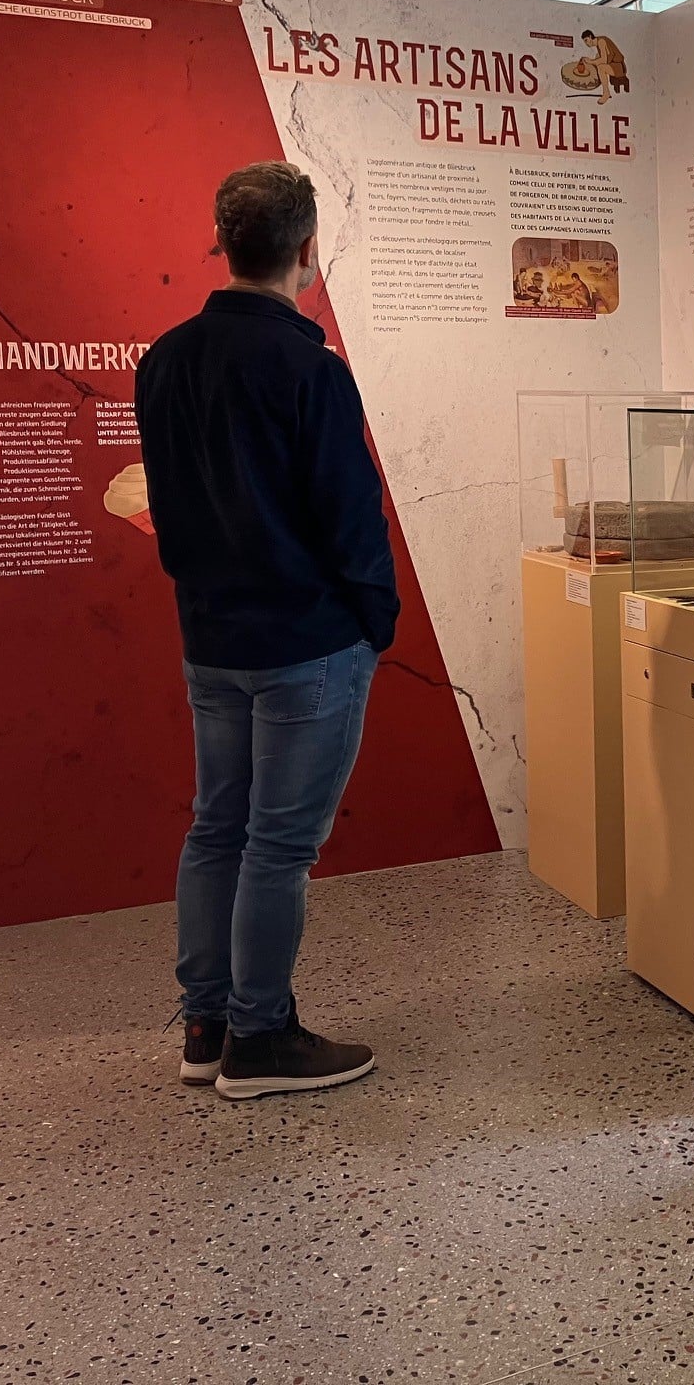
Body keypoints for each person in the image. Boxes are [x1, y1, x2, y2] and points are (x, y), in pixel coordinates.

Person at [134, 161, 396, 1101]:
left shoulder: (163, 359)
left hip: (213, 639)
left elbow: (167, 507)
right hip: (306, 646)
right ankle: (262, 1037)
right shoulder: (312, 372)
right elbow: (350, 518)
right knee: (279, 845)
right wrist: (375, 623)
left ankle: (207, 1026)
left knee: (218, 828)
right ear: (307, 251)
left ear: (223, 244)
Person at [581, 29, 628, 103]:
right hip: (613, 64)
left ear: (590, 36)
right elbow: (603, 56)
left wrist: (590, 61)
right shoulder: (599, 41)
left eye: (586, 40)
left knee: (601, 68)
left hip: (619, 67)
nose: (586, 43)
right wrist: (592, 61)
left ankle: (606, 93)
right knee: (597, 57)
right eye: (585, 42)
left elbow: (604, 60)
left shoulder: (601, 42)